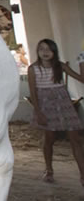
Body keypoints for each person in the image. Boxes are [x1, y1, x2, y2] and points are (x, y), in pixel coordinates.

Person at [28, 39, 84, 186]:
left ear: (54, 51)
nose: (45, 52)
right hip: (46, 106)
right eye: (41, 49)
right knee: (49, 139)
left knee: (75, 139)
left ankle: (83, 174)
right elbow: (33, 92)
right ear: (37, 51)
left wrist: (82, 60)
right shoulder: (33, 69)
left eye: (48, 49)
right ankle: (49, 169)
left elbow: (82, 79)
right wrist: (38, 112)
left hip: (63, 104)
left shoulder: (61, 66)